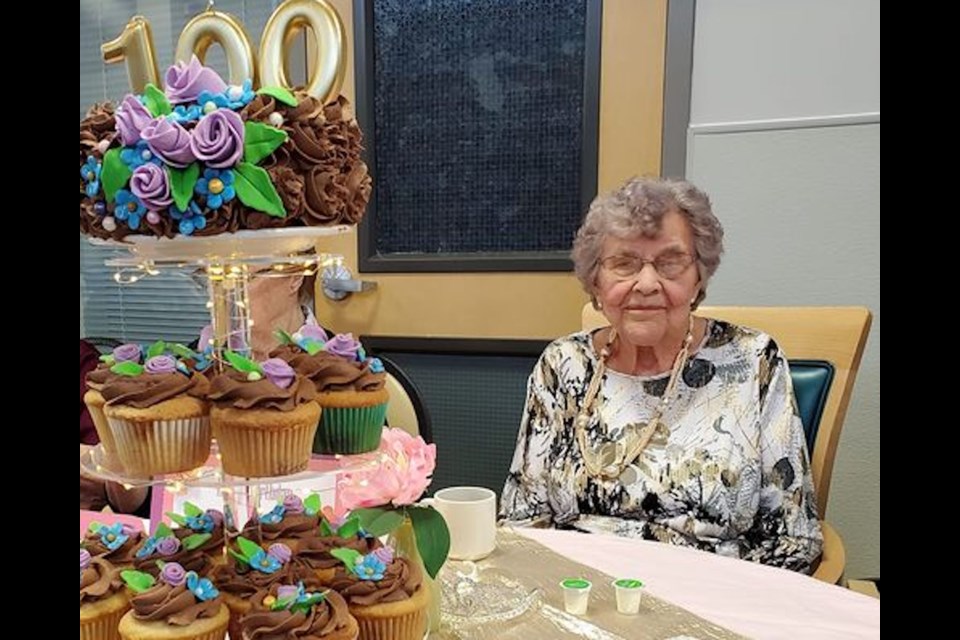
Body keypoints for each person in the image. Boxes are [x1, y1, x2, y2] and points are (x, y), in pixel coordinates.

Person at [499, 177, 823, 573]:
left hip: (710, 601)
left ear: (698, 277)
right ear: (595, 281)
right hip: (577, 595)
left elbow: (793, 539)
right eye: (624, 263)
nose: (647, 284)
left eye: (670, 263)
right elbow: (521, 519)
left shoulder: (755, 362)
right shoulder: (563, 364)